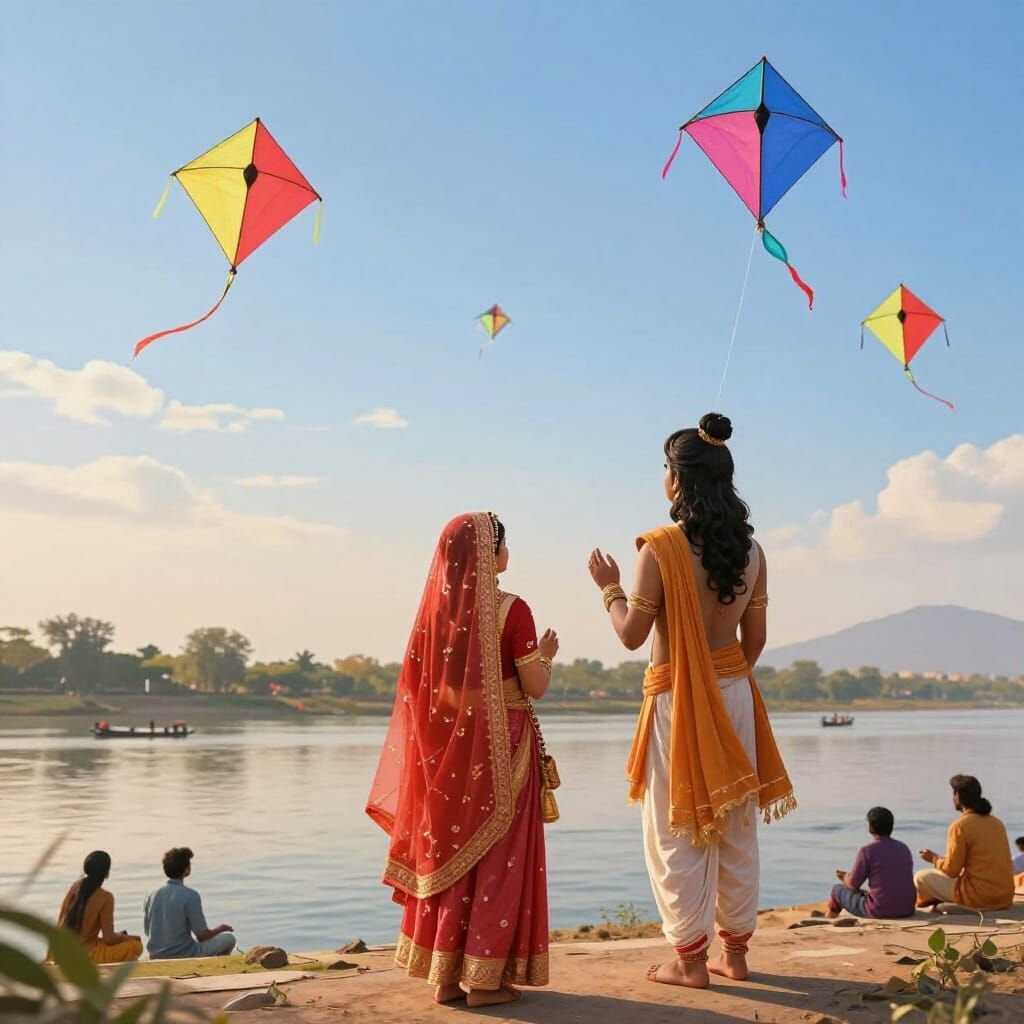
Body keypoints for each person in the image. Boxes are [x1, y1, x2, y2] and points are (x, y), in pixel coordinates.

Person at [587, 414, 795, 990]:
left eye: (664, 469)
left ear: (676, 481)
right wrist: (720, 679)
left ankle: (691, 962)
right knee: (735, 825)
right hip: (733, 696)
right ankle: (737, 954)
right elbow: (755, 641)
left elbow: (631, 635)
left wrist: (608, 586)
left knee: (677, 829)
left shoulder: (660, 549)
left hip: (678, 701)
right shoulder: (752, 551)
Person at [366, 512, 557, 1008]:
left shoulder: (436, 616)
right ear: (491, 555)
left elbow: (426, 696)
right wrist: (548, 657)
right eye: (503, 545)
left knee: (452, 854)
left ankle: (446, 979)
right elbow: (534, 685)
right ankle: (487, 983)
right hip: (502, 748)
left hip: (447, 755)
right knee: (499, 859)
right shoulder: (512, 610)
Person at [915, 775, 1015, 911]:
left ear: (958, 795)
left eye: (953, 793)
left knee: (921, 877)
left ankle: (930, 904)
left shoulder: (960, 825)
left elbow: (951, 871)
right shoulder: (997, 823)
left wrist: (934, 858)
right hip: (1004, 896)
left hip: (980, 897)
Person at [144, 847, 235, 959]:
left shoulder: (151, 893)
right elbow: (202, 936)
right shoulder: (190, 895)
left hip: (155, 955)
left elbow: (148, 931)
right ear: (186, 870)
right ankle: (218, 968)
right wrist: (221, 928)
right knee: (229, 938)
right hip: (183, 955)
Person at [826, 807, 916, 919]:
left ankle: (830, 918)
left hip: (879, 910)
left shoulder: (867, 851)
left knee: (837, 890)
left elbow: (854, 884)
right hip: (907, 908)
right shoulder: (903, 848)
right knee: (865, 893)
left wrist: (844, 877)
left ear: (870, 827)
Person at [56, 850, 142, 963]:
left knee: (112, 943)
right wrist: (125, 937)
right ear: (107, 873)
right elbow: (109, 939)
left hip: (58, 951)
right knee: (136, 945)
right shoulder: (106, 897)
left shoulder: (75, 887)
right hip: (86, 955)